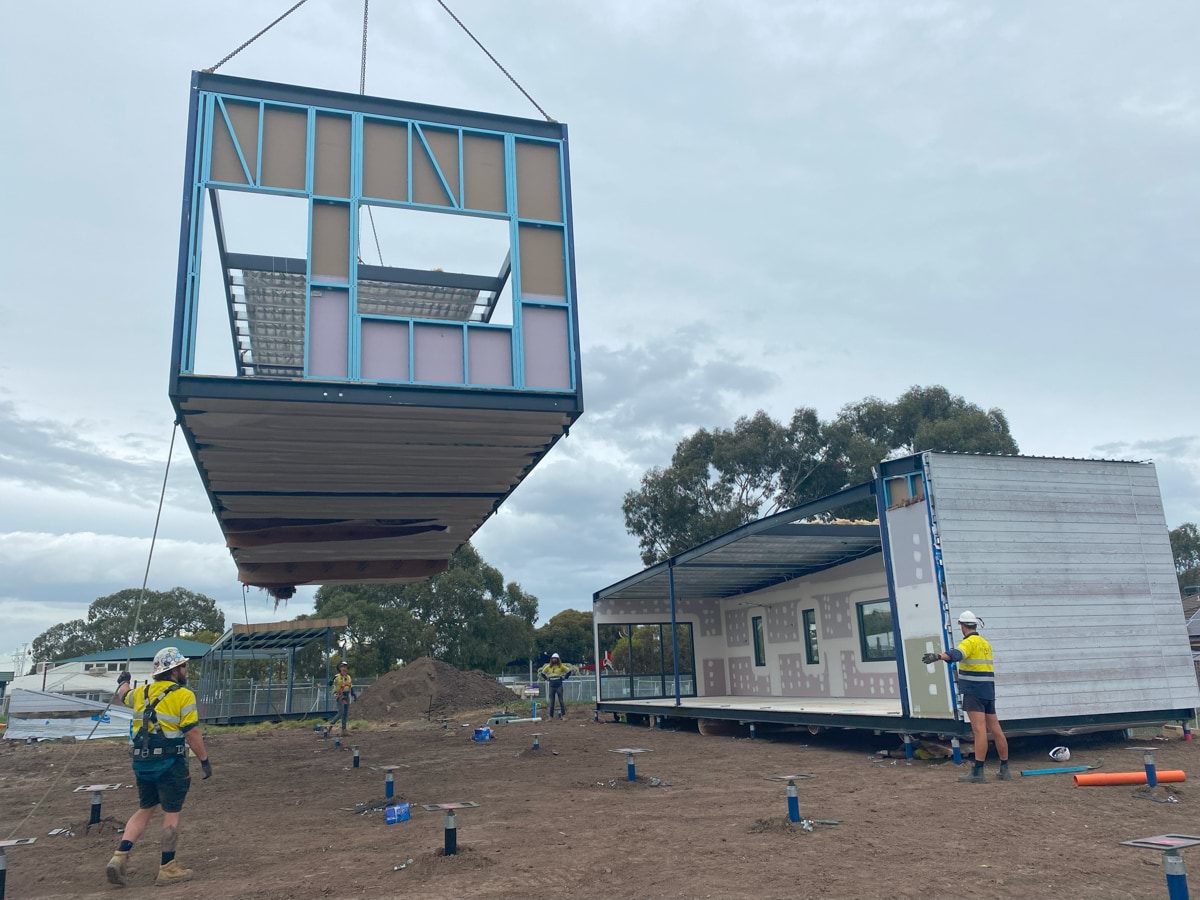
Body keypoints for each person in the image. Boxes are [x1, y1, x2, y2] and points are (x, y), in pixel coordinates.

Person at [106, 647, 212, 886]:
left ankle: (119, 857)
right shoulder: (184, 695)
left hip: (142, 763)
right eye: (183, 666)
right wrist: (204, 760)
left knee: (145, 808)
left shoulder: (141, 692)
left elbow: (124, 694)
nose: (185, 670)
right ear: (174, 670)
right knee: (171, 813)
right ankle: (168, 867)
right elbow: (192, 732)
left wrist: (123, 681)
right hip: (170, 763)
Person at [923, 611, 1010, 783]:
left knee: (979, 731)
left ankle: (978, 771)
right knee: (997, 730)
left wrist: (938, 656)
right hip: (988, 692)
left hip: (974, 692)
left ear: (962, 626)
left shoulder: (969, 642)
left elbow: (957, 654)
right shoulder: (985, 644)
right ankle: (1004, 769)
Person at [538, 653, 572, 719]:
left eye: (555, 659)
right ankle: (551, 716)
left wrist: (565, 677)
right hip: (552, 684)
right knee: (552, 702)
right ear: (551, 659)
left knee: (561, 701)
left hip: (559, 684)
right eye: (553, 658)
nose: (554, 660)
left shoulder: (561, 666)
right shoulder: (548, 667)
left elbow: (569, 671)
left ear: (558, 659)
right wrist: (546, 678)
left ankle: (563, 715)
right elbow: (542, 673)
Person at [331, 661, 356, 734]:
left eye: (346, 667)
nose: (344, 668)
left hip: (346, 694)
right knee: (341, 712)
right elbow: (332, 683)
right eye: (343, 667)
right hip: (340, 695)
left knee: (345, 713)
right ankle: (331, 724)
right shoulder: (337, 677)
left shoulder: (348, 677)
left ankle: (344, 729)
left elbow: (350, 685)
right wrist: (330, 682)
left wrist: (353, 694)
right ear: (339, 668)